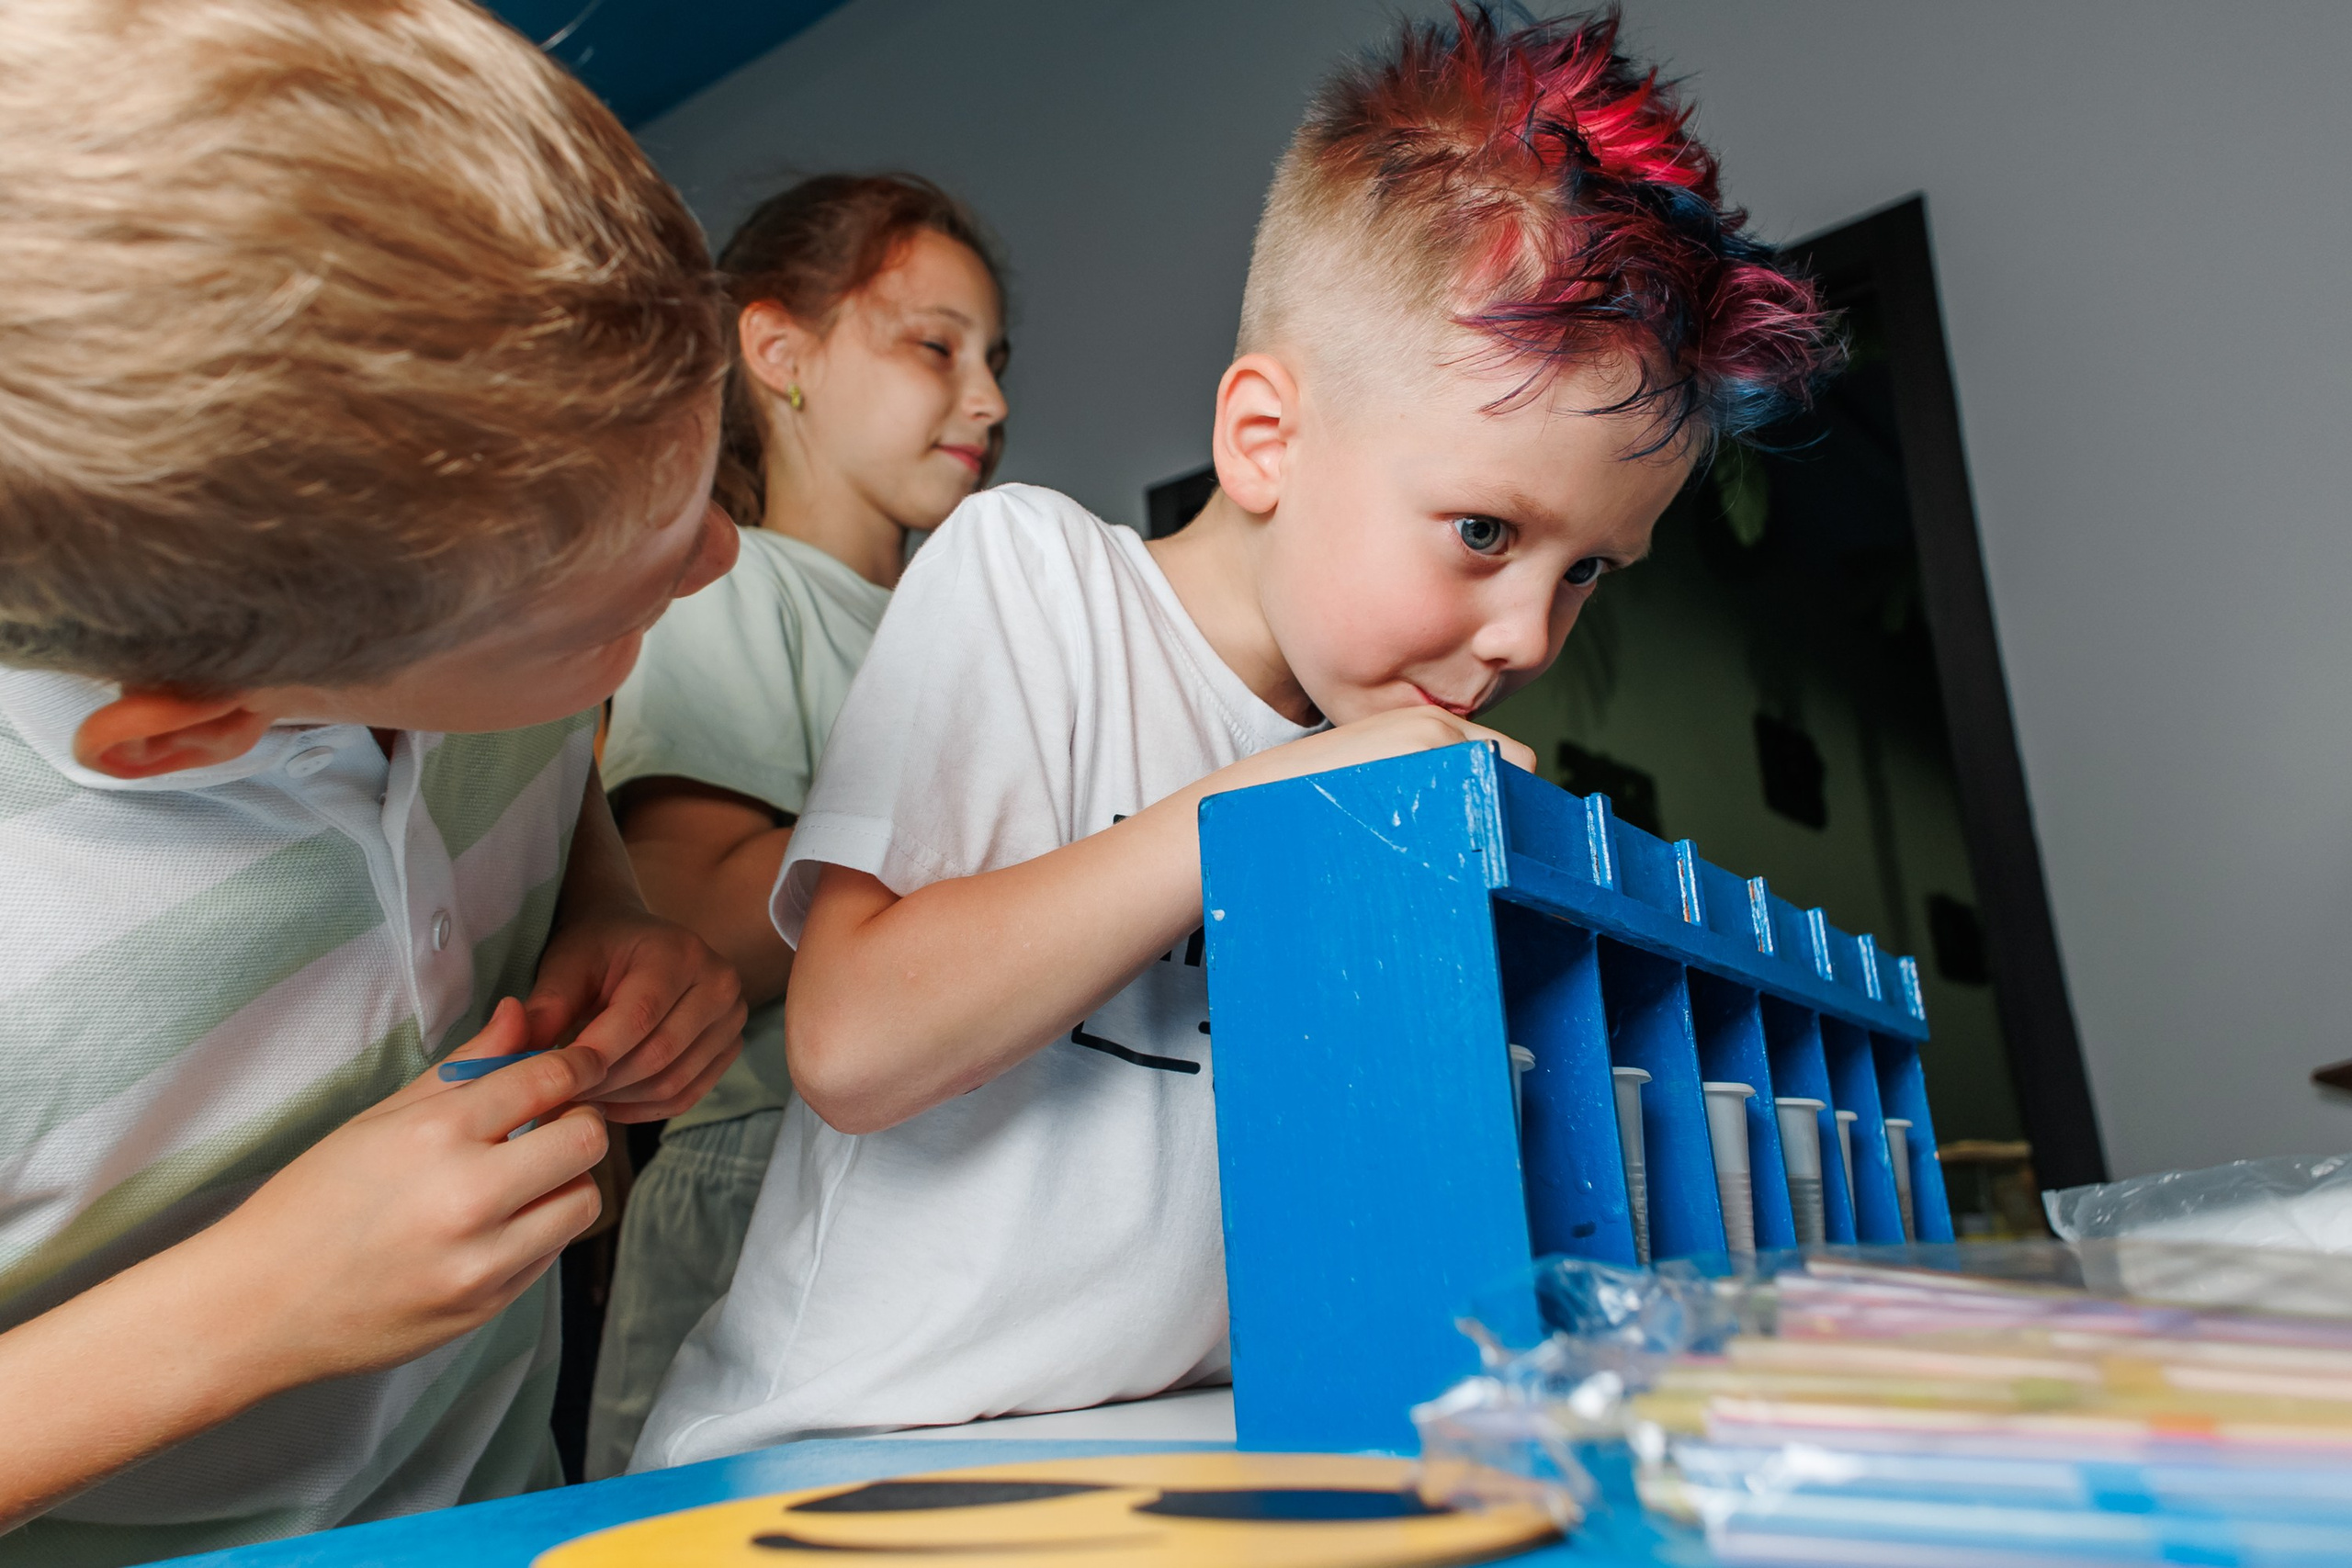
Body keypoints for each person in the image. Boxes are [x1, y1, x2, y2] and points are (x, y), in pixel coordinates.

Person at [633, 6, 1844, 1468]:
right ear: (1265, 439)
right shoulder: (1034, 575)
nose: (1530, 634)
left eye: (1587, 569)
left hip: (1171, 1447)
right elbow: (848, 1041)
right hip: (850, 1453)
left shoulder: (1389, 761)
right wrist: (1267, 808)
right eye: (1483, 529)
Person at [0, 1, 749, 1558]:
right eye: (623, 608)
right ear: (193, 730)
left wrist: (599, 913)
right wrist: (250, 1312)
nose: (722, 559)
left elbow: (550, 773)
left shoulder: (463, 630)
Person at [584, 174, 1010, 1479]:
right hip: (760, 1177)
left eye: (997, 361)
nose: (987, 399)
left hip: (946, 1178)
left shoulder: (971, 626)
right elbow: (693, 923)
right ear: (779, 355)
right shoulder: (732, 587)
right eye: (936, 346)